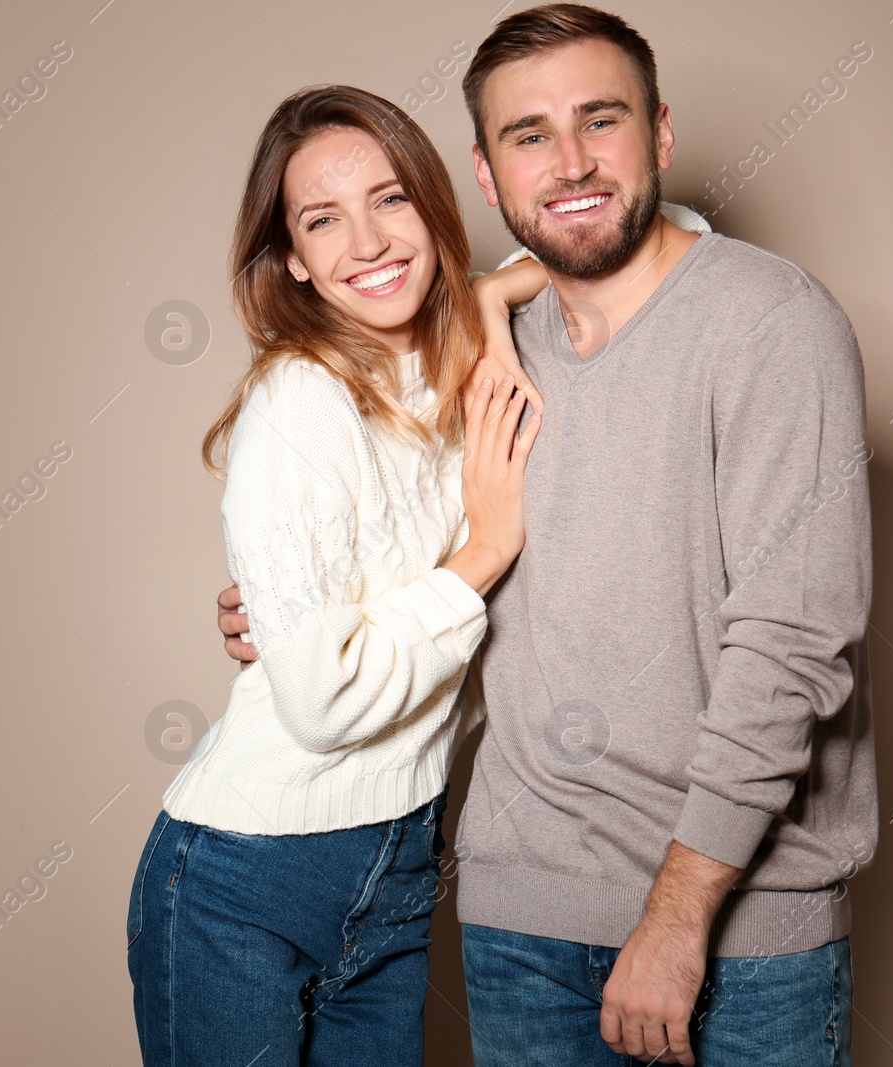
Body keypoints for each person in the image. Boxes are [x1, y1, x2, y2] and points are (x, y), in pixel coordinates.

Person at [217, 5, 878, 1065]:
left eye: (599, 120)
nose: (569, 162)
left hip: (742, 928)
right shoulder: (484, 352)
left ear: (658, 134)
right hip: (521, 919)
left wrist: (676, 916)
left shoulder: (769, 322)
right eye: (529, 135)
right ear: (485, 175)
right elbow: (410, 547)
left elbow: (793, 646)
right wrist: (302, 615)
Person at [125, 84, 545, 1066]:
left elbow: (667, 223)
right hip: (243, 877)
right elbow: (318, 703)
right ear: (293, 262)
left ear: (436, 210)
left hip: (399, 861)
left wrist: (488, 295)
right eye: (323, 219)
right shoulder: (299, 402)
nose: (366, 241)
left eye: (391, 199)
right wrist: (482, 552)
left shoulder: (462, 363)